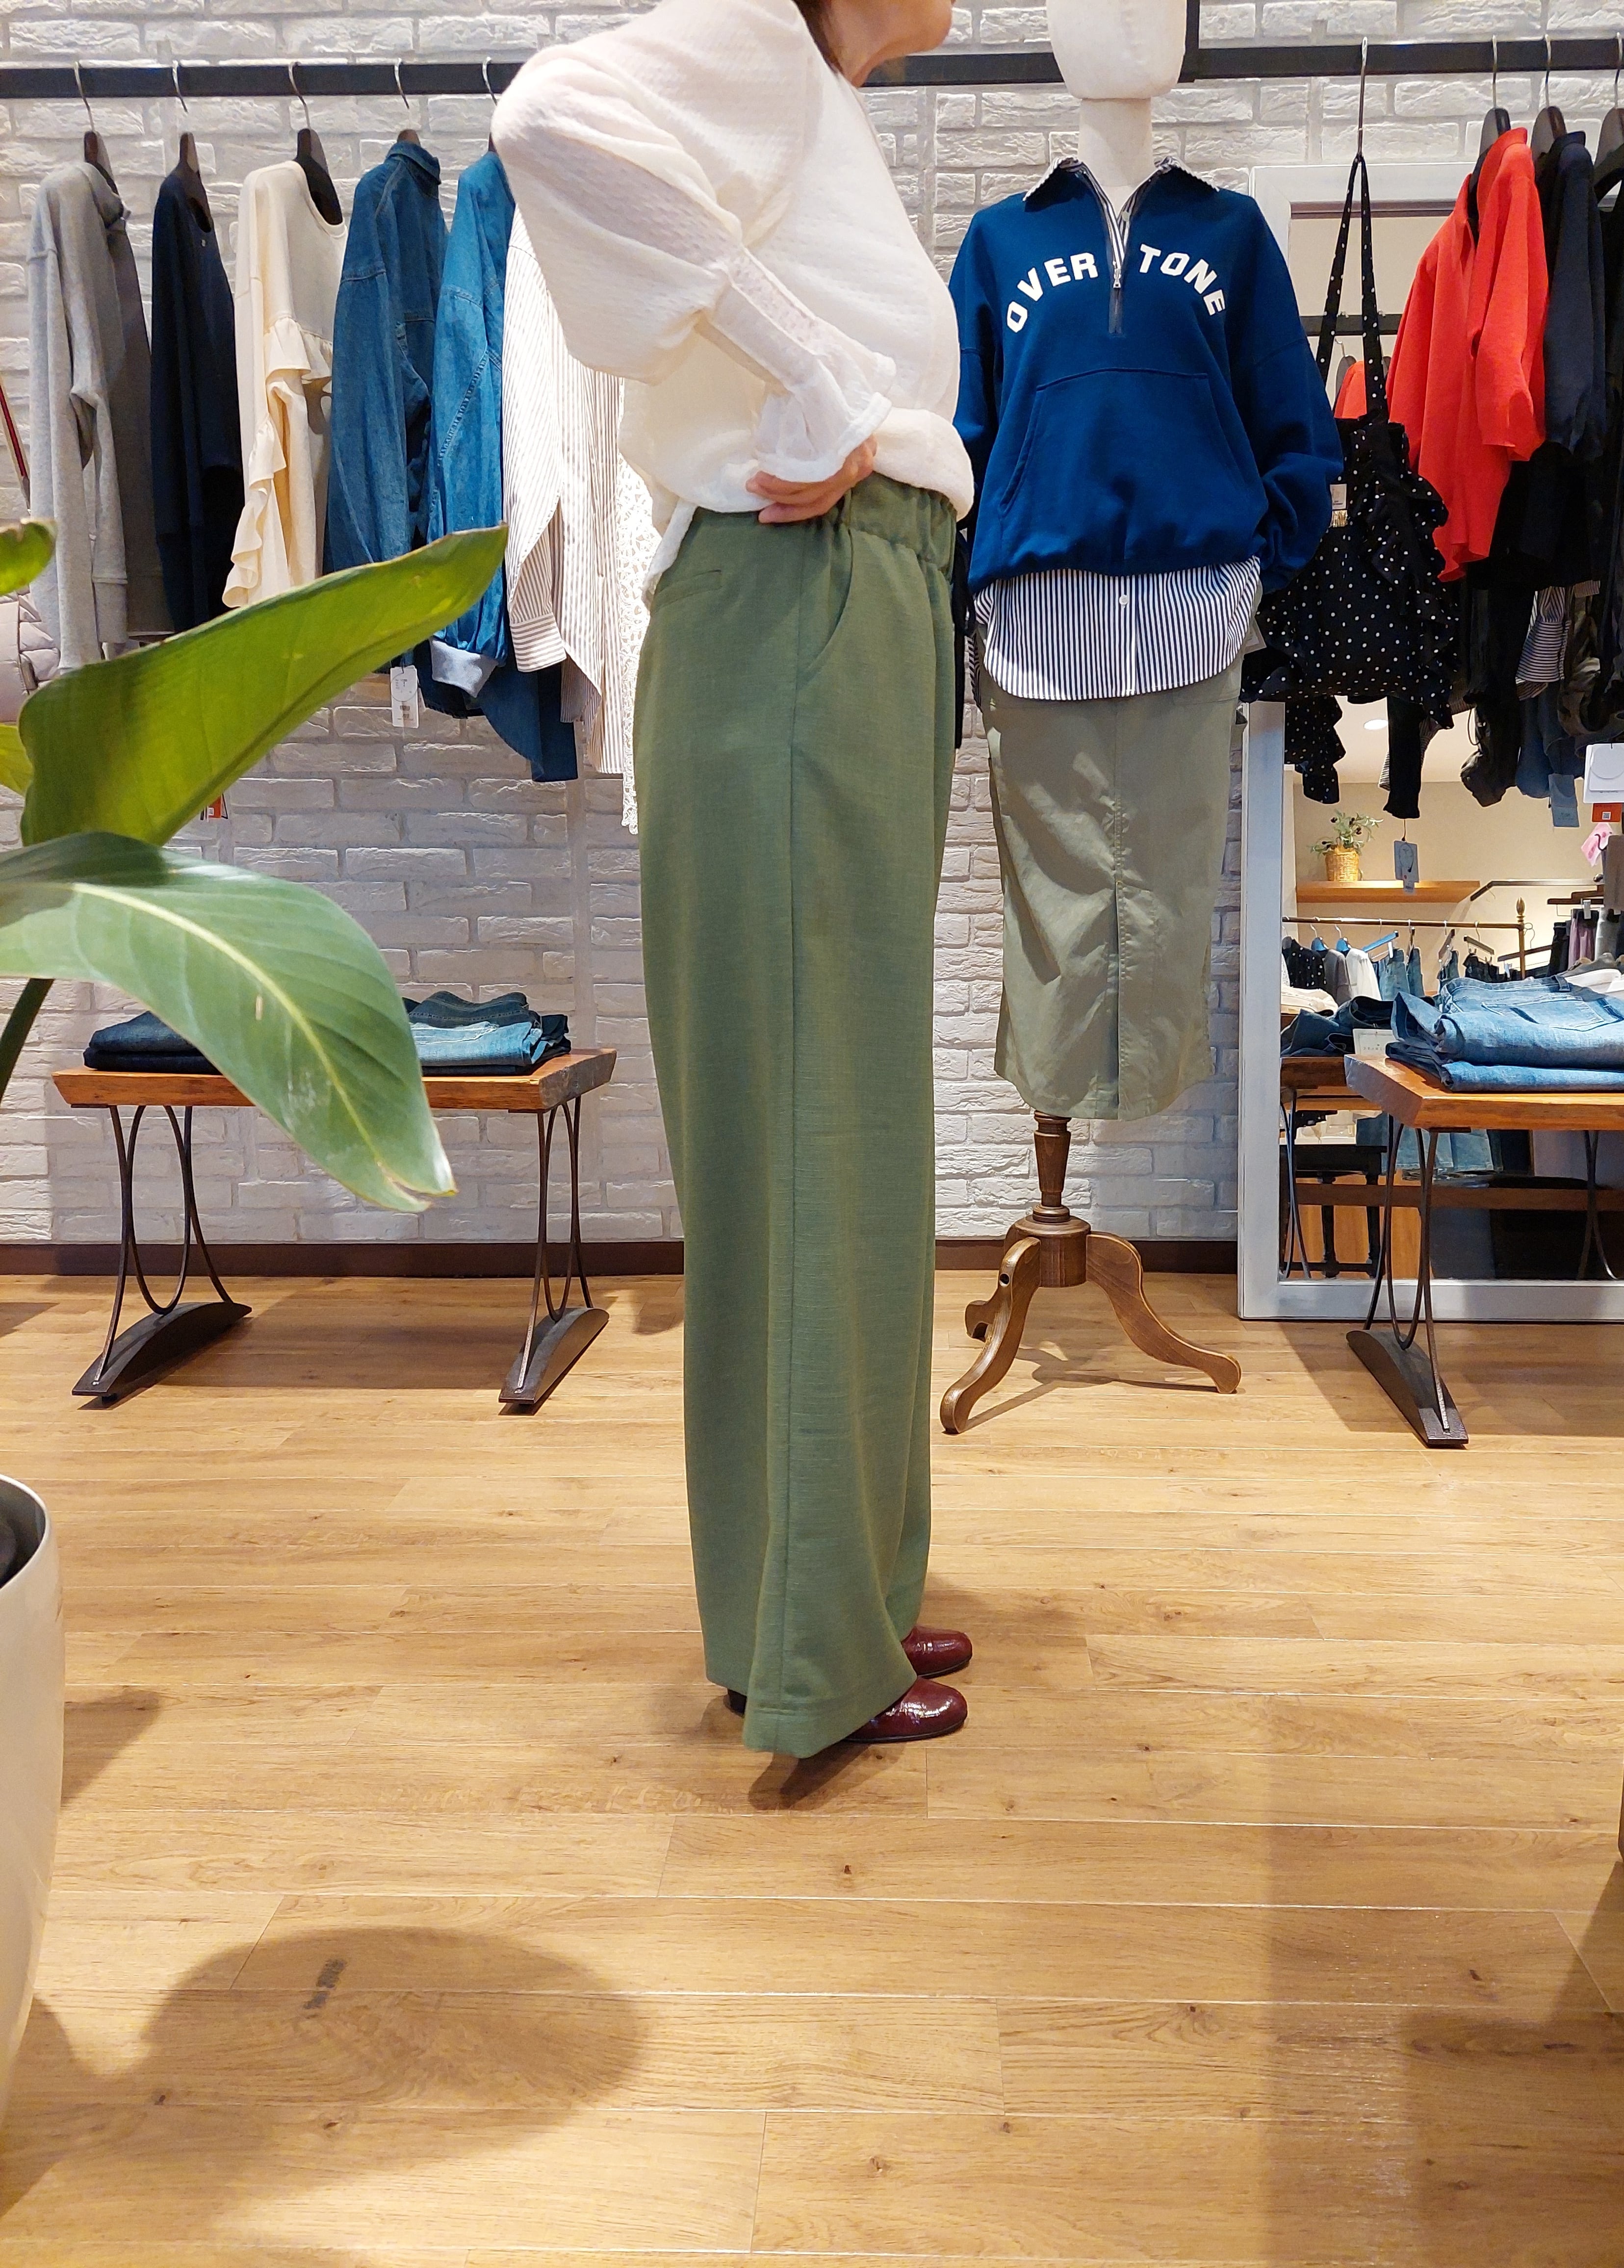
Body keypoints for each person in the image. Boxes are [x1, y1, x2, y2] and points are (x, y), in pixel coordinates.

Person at [494, 0, 978, 1757]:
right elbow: (546, 118)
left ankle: (837, 1585)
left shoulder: (812, 98)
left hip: (854, 609)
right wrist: (814, 371)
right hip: (799, 614)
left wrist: (828, 381)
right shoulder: (760, 40)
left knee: (851, 1133)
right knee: (806, 1140)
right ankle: (804, 1648)